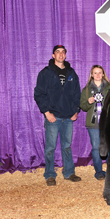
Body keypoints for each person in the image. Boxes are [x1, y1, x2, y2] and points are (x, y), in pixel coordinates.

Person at [34, 45, 82, 186]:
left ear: (65, 55)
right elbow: (39, 94)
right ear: (53, 55)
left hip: (68, 116)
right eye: (57, 52)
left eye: (63, 52)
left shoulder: (72, 73)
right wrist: (47, 112)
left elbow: (77, 94)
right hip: (53, 117)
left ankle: (69, 172)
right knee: (50, 147)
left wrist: (76, 110)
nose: (60, 54)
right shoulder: (46, 73)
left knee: (67, 146)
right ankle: (49, 174)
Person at [80, 65, 110, 180]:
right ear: (91, 75)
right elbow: (82, 106)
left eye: (100, 73)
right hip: (93, 124)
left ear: (103, 74)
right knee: (96, 148)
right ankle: (99, 171)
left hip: (107, 123)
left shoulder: (109, 88)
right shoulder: (86, 89)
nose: (97, 75)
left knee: (109, 146)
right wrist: (88, 102)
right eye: (95, 73)